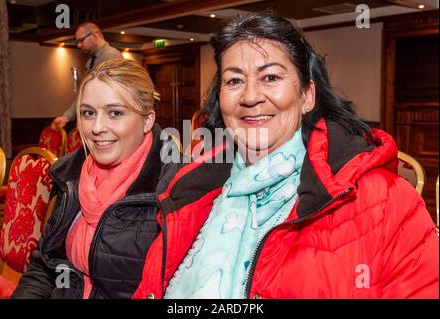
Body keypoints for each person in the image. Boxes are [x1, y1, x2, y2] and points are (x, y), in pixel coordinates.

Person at [132, 12, 439, 299]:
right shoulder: (189, 191)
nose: (251, 97)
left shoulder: (383, 200)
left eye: (271, 78)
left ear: (306, 96)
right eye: (235, 80)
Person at [12, 59, 176, 298]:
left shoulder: (174, 186)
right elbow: (45, 269)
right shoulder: (70, 176)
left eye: (115, 113)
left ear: (147, 120)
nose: (97, 127)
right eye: (88, 113)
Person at [52, 22, 122, 130]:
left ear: (95, 35)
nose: (79, 45)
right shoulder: (90, 61)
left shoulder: (111, 56)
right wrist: (66, 116)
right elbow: (85, 93)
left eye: (81, 40)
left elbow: (113, 95)